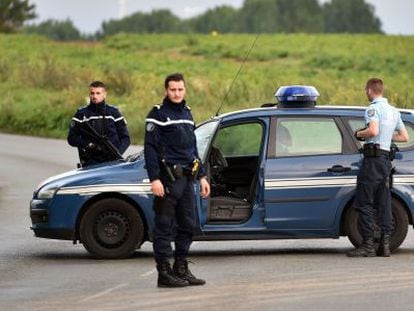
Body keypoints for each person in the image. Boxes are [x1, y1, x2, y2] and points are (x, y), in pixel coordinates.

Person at [144, 73, 210, 287]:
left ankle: (180, 268)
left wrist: (202, 176)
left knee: (189, 225)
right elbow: (150, 150)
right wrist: (155, 179)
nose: (177, 93)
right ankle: (164, 273)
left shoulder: (187, 113)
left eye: (180, 89)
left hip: (187, 179)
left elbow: (193, 148)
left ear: (185, 90)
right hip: (168, 179)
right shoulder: (158, 114)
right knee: (164, 226)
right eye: (173, 89)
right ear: (166, 90)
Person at [347, 78, 409, 257]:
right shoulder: (394, 111)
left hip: (373, 162)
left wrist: (359, 134)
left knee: (364, 201)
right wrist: (387, 136)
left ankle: (367, 246)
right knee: (384, 202)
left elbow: (372, 131)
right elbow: (404, 137)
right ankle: (385, 246)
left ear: (369, 90)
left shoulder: (372, 109)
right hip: (385, 162)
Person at [67, 81, 130, 167]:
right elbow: (71, 138)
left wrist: (117, 153)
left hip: (112, 160)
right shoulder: (82, 114)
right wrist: (88, 144)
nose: (95, 96)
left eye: (98, 93)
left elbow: (125, 138)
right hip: (91, 161)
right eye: (92, 93)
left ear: (104, 94)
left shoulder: (113, 113)